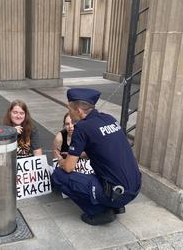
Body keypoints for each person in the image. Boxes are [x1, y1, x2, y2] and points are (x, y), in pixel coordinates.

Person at [51, 88, 141, 225]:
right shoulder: (109, 119)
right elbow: (101, 149)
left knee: (59, 175)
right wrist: (76, 155)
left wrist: (62, 160)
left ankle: (99, 212)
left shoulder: (81, 128)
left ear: (78, 111)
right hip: (134, 187)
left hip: (117, 193)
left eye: (69, 108)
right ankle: (115, 205)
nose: (68, 112)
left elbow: (69, 168)